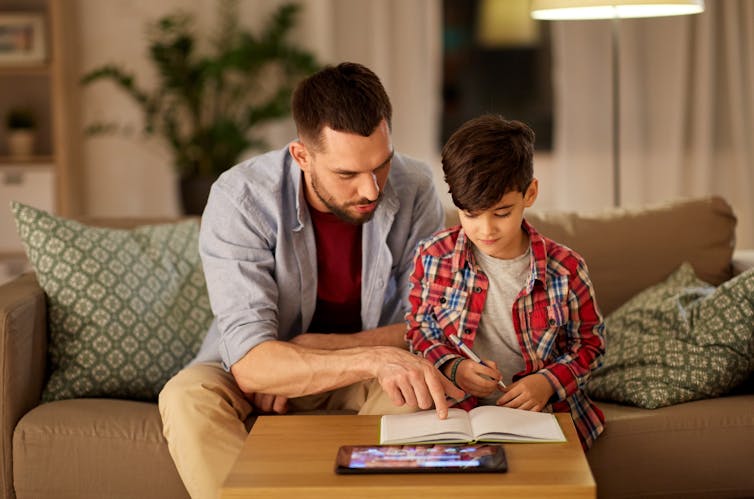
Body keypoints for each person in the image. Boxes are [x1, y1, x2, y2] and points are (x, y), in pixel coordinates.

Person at [158, 62, 464, 499]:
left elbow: (428, 326)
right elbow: (250, 362)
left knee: (418, 394)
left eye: (381, 165)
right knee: (186, 397)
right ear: (302, 156)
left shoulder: (414, 188)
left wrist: (312, 350)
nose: (372, 191)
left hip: (351, 373)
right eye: (347, 174)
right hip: (267, 372)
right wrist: (371, 357)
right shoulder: (240, 200)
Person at [405, 114, 606, 449]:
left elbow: (590, 346)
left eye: (501, 213)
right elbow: (418, 330)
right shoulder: (432, 256)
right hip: (458, 412)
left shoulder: (566, 269)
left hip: (544, 414)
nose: (486, 230)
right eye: (470, 214)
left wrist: (547, 382)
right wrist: (454, 367)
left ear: (530, 193)